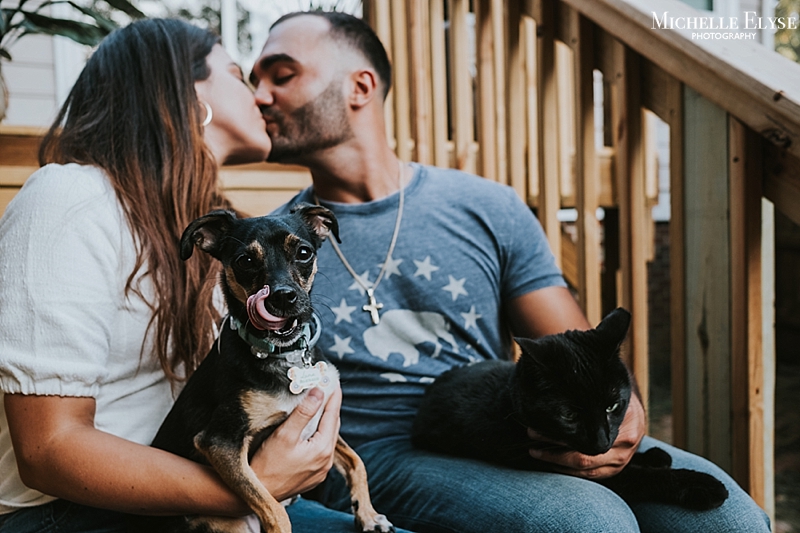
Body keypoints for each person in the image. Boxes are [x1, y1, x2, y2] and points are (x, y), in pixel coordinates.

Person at [252, 11, 772, 533]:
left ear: (360, 86)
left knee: (732, 520)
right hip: (376, 454)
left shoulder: (486, 205)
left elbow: (574, 343)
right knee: (587, 522)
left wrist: (627, 413)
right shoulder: (271, 246)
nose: (259, 95)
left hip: (507, 418)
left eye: (281, 75)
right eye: (254, 81)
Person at [0, 18, 410, 533]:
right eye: (241, 76)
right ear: (193, 100)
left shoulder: (211, 227)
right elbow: (48, 450)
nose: (263, 98)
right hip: (78, 517)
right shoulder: (69, 200)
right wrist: (260, 489)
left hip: (203, 499)